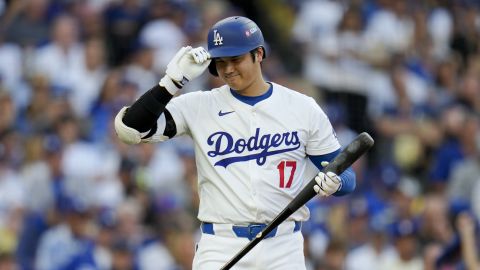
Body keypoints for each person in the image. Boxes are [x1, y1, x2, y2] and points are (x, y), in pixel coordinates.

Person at [114, 16, 356, 270]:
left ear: (259, 54)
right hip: (221, 245)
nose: (228, 69)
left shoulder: (302, 107)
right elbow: (129, 129)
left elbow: (346, 175)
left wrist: (336, 182)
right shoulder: (198, 105)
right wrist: (170, 84)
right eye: (220, 62)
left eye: (235, 59)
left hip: (284, 246)